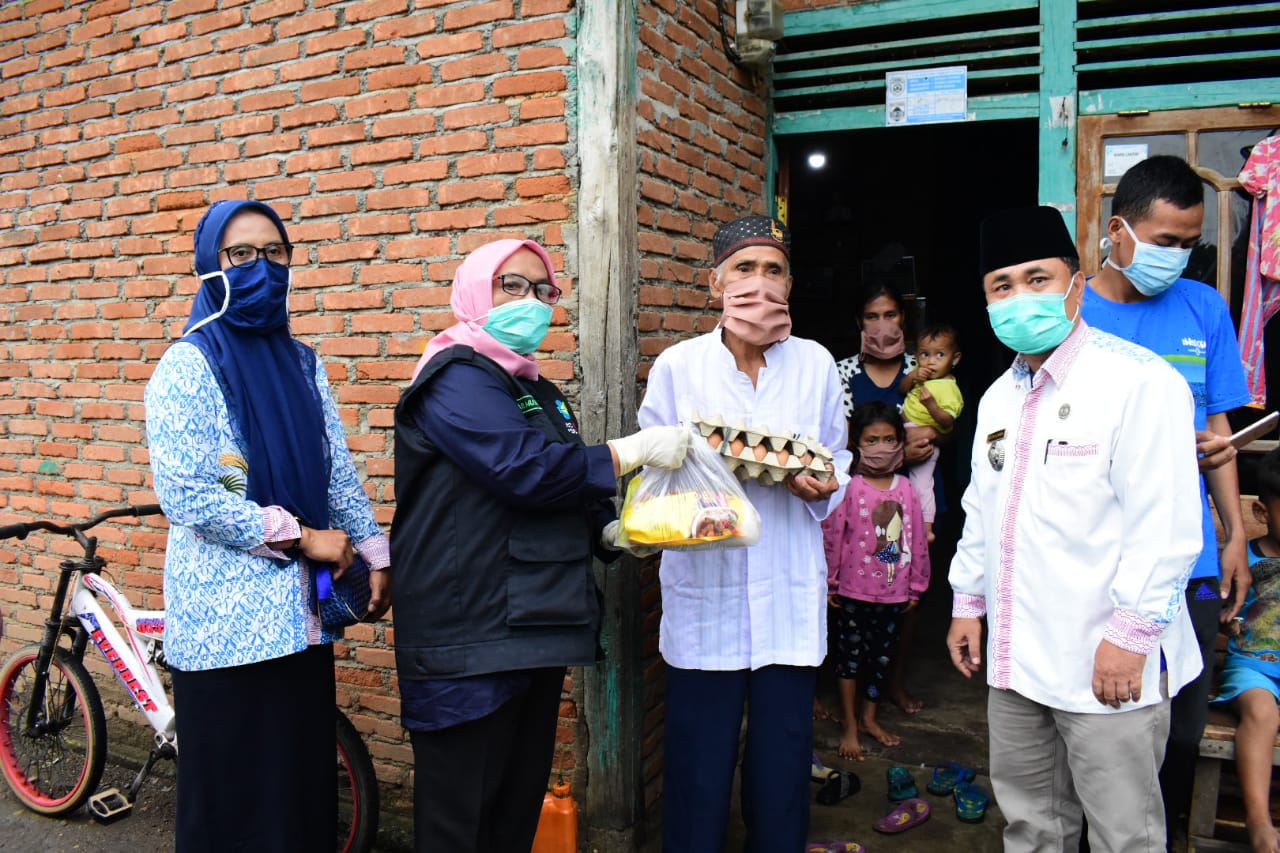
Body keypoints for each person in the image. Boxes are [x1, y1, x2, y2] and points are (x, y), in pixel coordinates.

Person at [390, 238, 689, 853]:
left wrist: (610, 534)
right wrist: (630, 451)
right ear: (475, 291)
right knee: (460, 824)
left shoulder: (538, 390)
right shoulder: (455, 379)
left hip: (533, 623)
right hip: (467, 633)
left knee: (512, 813)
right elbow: (523, 469)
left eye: (542, 290)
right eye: (512, 286)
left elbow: (559, 485)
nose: (531, 302)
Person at [947, 205, 1204, 853]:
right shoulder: (997, 398)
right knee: (1033, 826)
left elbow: (1167, 526)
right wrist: (967, 602)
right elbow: (983, 508)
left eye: (1038, 278)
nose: (1019, 297)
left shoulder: (1141, 382)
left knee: (1125, 836)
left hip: (1106, 663)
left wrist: (1130, 635)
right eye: (1002, 286)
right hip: (1017, 660)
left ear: (1077, 282)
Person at [144, 199, 392, 852]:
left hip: (299, 627)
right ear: (210, 267)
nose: (262, 267)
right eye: (241, 255)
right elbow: (190, 497)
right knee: (235, 808)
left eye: (275, 253)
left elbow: (335, 470)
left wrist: (372, 548)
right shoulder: (187, 366)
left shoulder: (305, 364)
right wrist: (306, 537)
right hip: (225, 631)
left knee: (300, 799)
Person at [637, 214, 852, 852]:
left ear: (790, 285)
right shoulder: (679, 367)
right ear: (715, 283)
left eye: (773, 270)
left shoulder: (814, 364)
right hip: (707, 592)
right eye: (744, 269)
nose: (760, 282)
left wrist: (818, 484)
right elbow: (651, 471)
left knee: (783, 763)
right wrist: (707, 472)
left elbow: (834, 458)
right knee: (698, 765)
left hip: (787, 592)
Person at [1082, 154, 1252, 841]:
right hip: (1098, 556)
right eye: (1162, 242)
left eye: (1188, 244)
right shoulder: (1069, 311)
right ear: (1118, 230)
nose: (1176, 257)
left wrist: (1234, 532)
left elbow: (1220, 431)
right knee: (1095, 724)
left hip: (1192, 559)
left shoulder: (1204, 309)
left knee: (1178, 730)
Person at [822, 401, 930, 760]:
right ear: (857, 445)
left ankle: (869, 719)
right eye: (872, 440)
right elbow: (834, 536)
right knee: (849, 658)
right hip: (853, 592)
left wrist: (916, 586)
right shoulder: (849, 489)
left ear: (900, 442)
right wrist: (832, 582)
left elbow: (915, 542)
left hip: (894, 593)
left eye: (888, 438)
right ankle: (850, 725)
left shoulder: (907, 490)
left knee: (881, 659)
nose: (880, 446)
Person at [1215, 448, 1280, 853]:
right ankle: (1258, 820)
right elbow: (1206, 592)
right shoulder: (1244, 560)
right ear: (1262, 511)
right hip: (1252, 668)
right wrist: (1220, 611)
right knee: (1262, 712)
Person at [898, 323, 964, 543]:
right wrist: (913, 376)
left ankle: (926, 527)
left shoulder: (949, 389)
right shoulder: (922, 377)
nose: (931, 361)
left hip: (924, 440)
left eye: (940, 355)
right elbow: (902, 389)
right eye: (925, 354)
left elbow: (947, 422)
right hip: (905, 430)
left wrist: (932, 405)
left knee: (923, 484)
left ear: (954, 360)